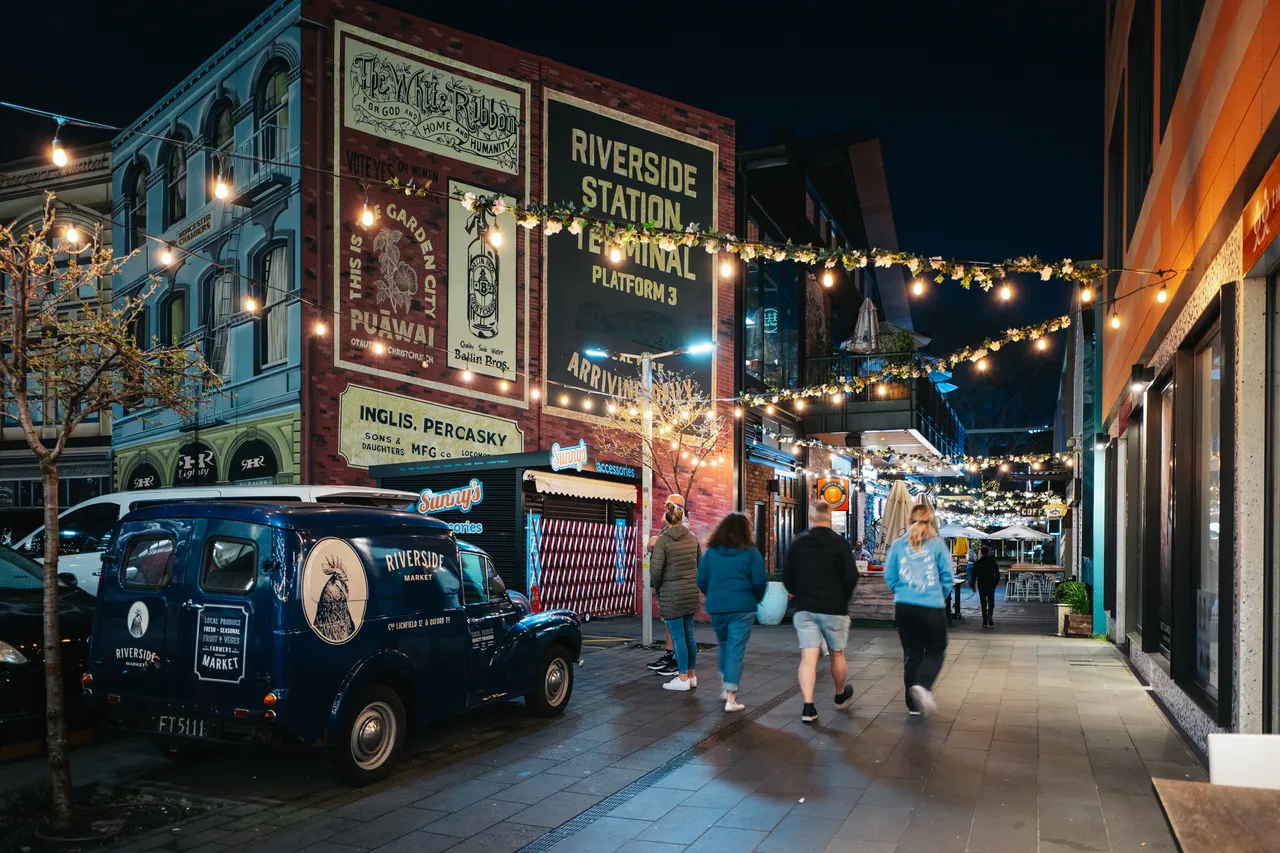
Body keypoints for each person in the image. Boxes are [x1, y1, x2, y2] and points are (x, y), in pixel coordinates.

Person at [783, 502, 859, 723]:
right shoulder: (841, 545)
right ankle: (839, 694)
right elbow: (851, 577)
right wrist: (842, 598)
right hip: (834, 607)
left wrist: (797, 592)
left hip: (805, 607)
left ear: (811, 517)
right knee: (837, 653)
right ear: (830, 517)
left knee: (808, 657)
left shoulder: (798, 544)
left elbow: (788, 576)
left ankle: (808, 706)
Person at [884, 502, 953, 718]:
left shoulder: (898, 545)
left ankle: (913, 704)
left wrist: (902, 593)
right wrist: (937, 595)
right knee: (936, 649)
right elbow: (947, 577)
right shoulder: (937, 545)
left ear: (909, 521)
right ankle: (923, 685)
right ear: (931, 521)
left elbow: (890, 576)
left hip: (904, 607)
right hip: (931, 607)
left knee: (912, 654)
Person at [697, 512, 767, 712]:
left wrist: (713, 595)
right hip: (743, 607)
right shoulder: (751, 552)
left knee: (725, 645)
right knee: (736, 648)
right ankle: (731, 698)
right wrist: (755, 598)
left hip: (717, 607)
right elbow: (760, 580)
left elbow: (701, 579)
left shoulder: (711, 552)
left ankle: (725, 684)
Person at [650, 498, 701, 691]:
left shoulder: (662, 541)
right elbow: (699, 563)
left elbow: (656, 571)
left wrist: (657, 586)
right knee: (689, 636)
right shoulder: (692, 538)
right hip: (690, 593)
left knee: (678, 637)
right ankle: (692, 676)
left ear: (666, 519)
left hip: (671, 595)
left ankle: (682, 678)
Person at [647, 495, 691, 677]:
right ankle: (671, 656)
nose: (664, 506)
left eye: (667, 504)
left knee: (677, 626)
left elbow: (656, 545)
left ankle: (679, 667)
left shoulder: (682, 526)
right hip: (674, 583)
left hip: (673, 584)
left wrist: (654, 542)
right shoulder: (670, 526)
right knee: (671, 622)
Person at [972, 546, 1001, 627]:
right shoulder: (992, 561)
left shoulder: (978, 562)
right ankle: (990, 614)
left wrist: (973, 585)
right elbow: (997, 574)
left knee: (983, 603)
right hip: (991, 584)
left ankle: (984, 621)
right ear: (988, 552)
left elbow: (974, 575)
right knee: (991, 601)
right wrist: (995, 583)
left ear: (981, 553)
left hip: (981, 584)